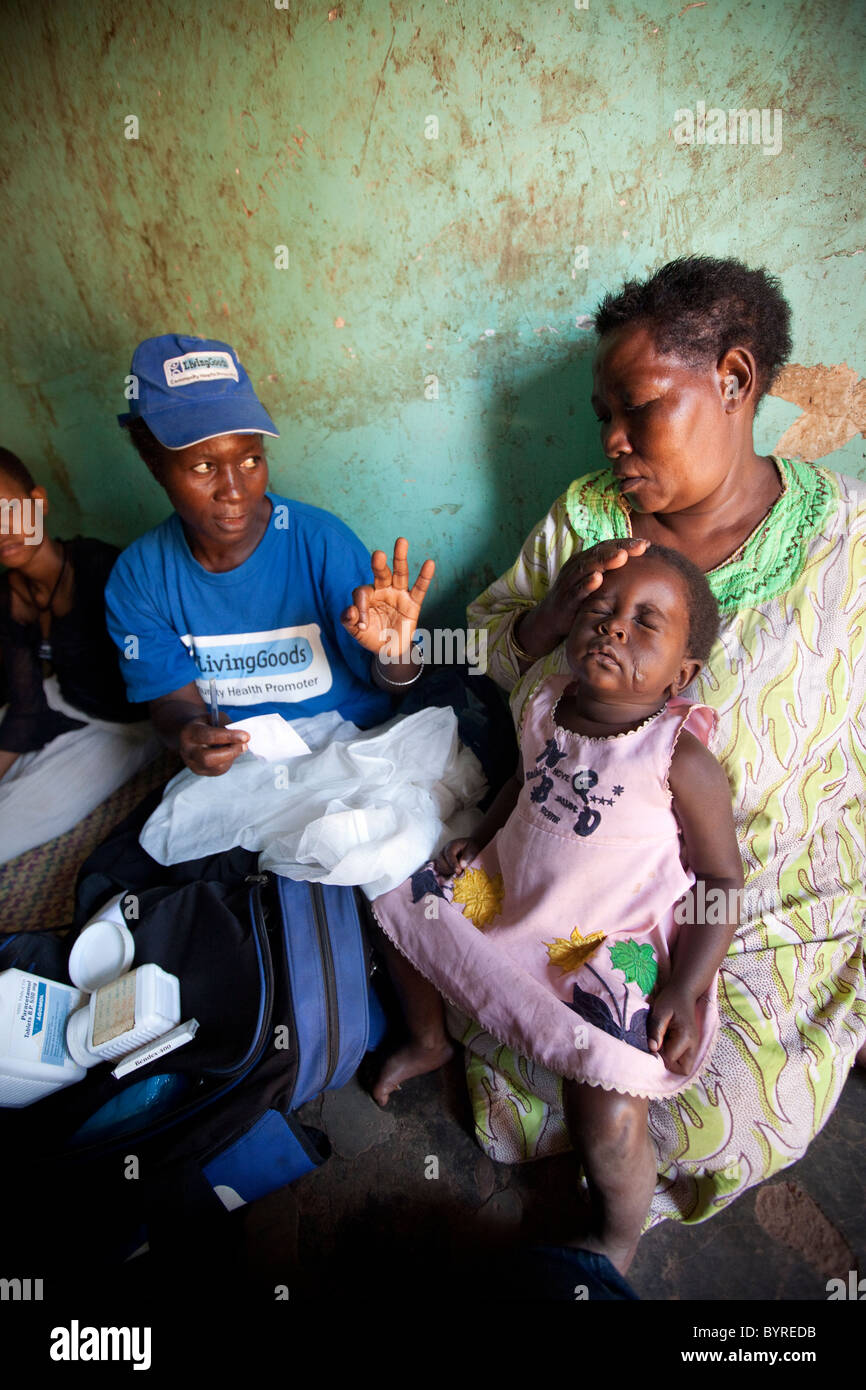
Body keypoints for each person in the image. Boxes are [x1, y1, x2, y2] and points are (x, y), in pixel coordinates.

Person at [455, 256, 866, 1231]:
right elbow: (485, 650)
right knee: (493, 1002)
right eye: (603, 413)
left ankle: (618, 1195)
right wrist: (550, 614)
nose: (611, 438)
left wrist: (694, 964)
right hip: (579, 862)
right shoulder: (585, 516)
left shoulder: (845, 540)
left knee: (699, 1104)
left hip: (750, 889)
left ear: (734, 379)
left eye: (636, 408)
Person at [371, 548, 741, 1271]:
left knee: (607, 1101)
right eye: (600, 610)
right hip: (511, 895)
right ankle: (428, 1039)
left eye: (645, 624)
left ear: (681, 674)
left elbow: (721, 879)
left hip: (602, 946)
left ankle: (615, 1235)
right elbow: (523, 783)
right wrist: (480, 838)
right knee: (400, 902)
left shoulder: (678, 757)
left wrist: (685, 988)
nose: (613, 628)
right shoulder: (546, 702)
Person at [105, 336, 433, 775]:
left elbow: (395, 684)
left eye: (250, 461)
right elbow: (172, 703)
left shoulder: (320, 543)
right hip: (246, 761)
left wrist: (396, 652)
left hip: (353, 745)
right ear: (154, 466)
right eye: (203, 467)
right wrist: (190, 734)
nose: (234, 490)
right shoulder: (138, 578)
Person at [0, 449, 160, 863]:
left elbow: (153, 679)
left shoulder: (100, 569)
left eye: (8, 510)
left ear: (38, 502)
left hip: (124, 725)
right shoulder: (9, 594)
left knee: (16, 817)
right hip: (58, 695)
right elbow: (26, 706)